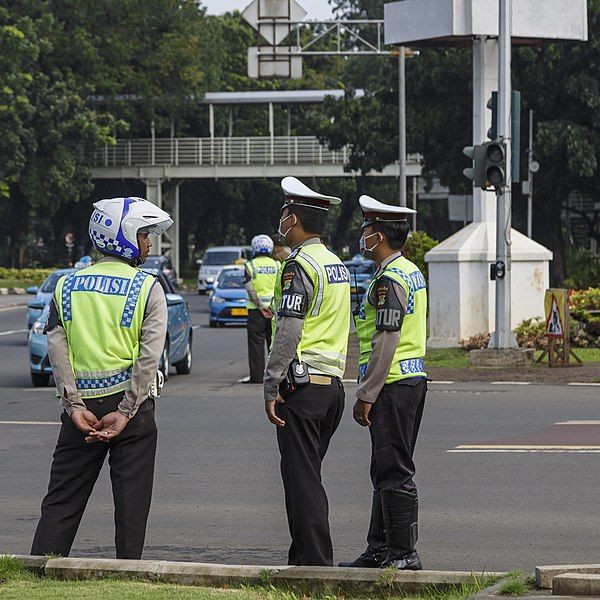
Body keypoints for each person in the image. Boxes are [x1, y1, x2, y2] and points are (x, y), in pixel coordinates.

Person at [31, 196, 173, 560]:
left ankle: (38, 572)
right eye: (144, 235)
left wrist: (73, 405)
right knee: (131, 505)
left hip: (81, 413)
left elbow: (57, 350)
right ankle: (127, 575)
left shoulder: (66, 286)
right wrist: (126, 410)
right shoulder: (147, 287)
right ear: (124, 236)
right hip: (132, 411)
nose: (149, 243)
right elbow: (148, 357)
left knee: (61, 500)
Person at [264, 176, 350, 567]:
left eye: (284, 213)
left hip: (302, 388)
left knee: (303, 484)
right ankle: (300, 561)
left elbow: (289, 327)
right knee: (305, 477)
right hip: (331, 387)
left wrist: (270, 384)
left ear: (293, 218)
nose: (280, 219)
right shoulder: (337, 265)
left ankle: (317, 570)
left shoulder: (298, 265)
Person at [339, 195, 427, 571]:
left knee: (394, 469)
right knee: (384, 467)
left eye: (367, 230)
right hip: (409, 380)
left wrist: (366, 394)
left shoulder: (390, 279)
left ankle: (405, 554)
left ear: (380, 236)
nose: (363, 237)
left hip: (393, 384)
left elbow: (386, 340)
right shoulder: (409, 271)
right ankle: (380, 549)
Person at [244, 234, 279, 383]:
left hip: (256, 312)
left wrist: (260, 306)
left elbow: (250, 289)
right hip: (274, 311)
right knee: (275, 345)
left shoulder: (250, 266)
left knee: (256, 345)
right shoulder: (278, 265)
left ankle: (257, 377)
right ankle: (276, 376)